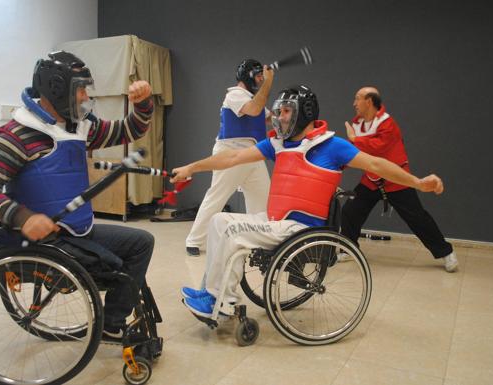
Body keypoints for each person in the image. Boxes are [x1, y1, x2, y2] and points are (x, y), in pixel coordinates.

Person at [171, 85, 445, 318]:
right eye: (278, 111)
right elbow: (231, 157)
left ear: (305, 113)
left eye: (286, 111)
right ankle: (215, 294)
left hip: (300, 227)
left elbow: (375, 163)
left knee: (233, 230)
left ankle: (219, 303)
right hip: (277, 221)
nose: (279, 117)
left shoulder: (332, 145)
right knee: (219, 221)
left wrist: (418, 182)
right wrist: (192, 167)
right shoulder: (278, 144)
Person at [0, 51, 155, 343]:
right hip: (42, 241)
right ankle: (112, 321)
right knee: (118, 269)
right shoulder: (16, 134)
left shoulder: (79, 128)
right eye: (80, 88)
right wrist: (24, 218)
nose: (85, 96)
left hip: (77, 231)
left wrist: (142, 103)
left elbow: (130, 129)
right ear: (57, 89)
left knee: (142, 243)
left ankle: (110, 323)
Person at [342, 86, 458, 272]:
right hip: (371, 180)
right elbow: (354, 152)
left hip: (396, 180)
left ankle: (446, 252)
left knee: (418, 218)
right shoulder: (356, 125)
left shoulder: (388, 124)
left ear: (369, 101)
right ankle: (348, 249)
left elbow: (377, 148)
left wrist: (355, 140)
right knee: (350, 211)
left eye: (358, 98)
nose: (354, 103)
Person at [184, 59, 275, 256]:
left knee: (262, 200)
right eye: (258, 76)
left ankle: (259, 240)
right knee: (217, 197)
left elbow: (267, 117)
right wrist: (268, 82)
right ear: (248, 76)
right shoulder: (235, 94)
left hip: (252, 155)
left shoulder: (253, 97)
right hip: (231, 153)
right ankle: (194, 240)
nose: (261, 80)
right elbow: (254, 109)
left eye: (262, 77)